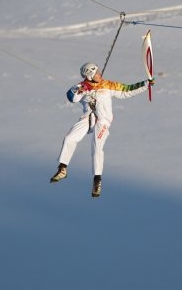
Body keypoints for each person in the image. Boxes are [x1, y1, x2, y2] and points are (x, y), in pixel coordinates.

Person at [50, 61, 152, 197]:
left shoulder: (107, 85)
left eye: (99, 71)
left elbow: (127, 90)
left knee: (97, 146)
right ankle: (62, 169)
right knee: (70, 138)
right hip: (88, 118)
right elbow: (71, 97)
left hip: (103, 122)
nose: (100, 74)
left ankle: (97, 180)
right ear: (90, 75)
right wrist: (83, 89)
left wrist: (146, 84)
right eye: (96, 73)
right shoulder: (82, 86)